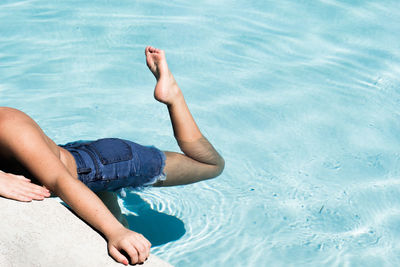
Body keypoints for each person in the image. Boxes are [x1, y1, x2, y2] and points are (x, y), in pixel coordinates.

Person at [0, 46, 224, 265]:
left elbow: (61, 181)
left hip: (110, 164)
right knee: (106, 208)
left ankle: (172, 95)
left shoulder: (10, 128)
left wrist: (116, 233)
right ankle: (115, 203)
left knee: (211, 165)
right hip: (74, 159)